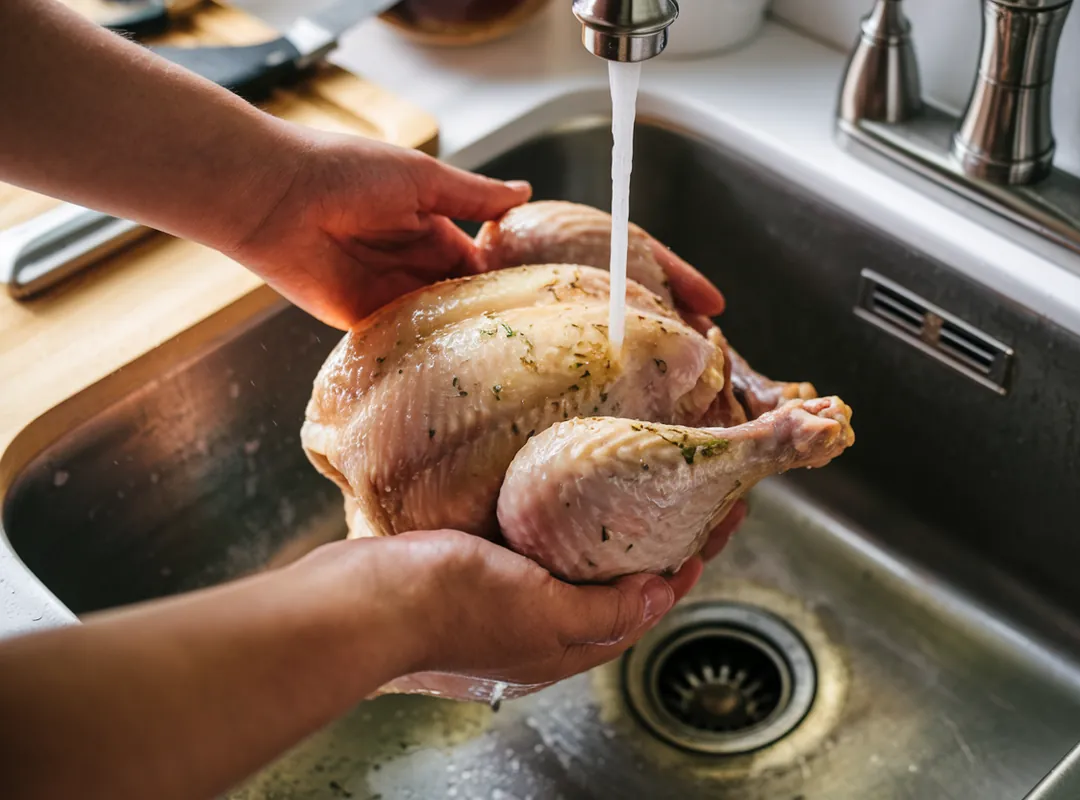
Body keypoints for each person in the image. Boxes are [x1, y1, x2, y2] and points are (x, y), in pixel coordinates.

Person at [0, 2, 745, 798]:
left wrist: (278, 191)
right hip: (428, 442)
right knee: (563, 482)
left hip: (388, 397)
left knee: (520, 235)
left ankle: (751, 413)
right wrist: (408, 610)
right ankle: (763, 427)